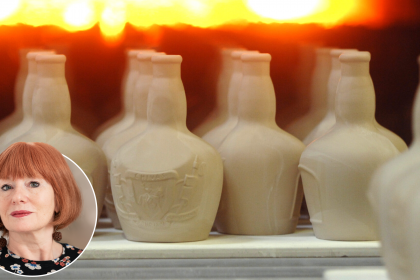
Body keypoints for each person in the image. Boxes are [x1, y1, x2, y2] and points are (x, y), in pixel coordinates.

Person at [0, 142, 83, 276]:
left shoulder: (83, 259)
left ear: (58, 199)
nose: (17, 197)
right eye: (6, 187)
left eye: (34, 184)